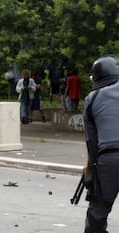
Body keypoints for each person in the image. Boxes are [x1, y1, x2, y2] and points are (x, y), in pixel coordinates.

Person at [83, 55, 119, 232]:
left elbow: (92, 142)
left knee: (97, 215)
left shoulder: (93, 98)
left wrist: (90, 168)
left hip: (109, 160)